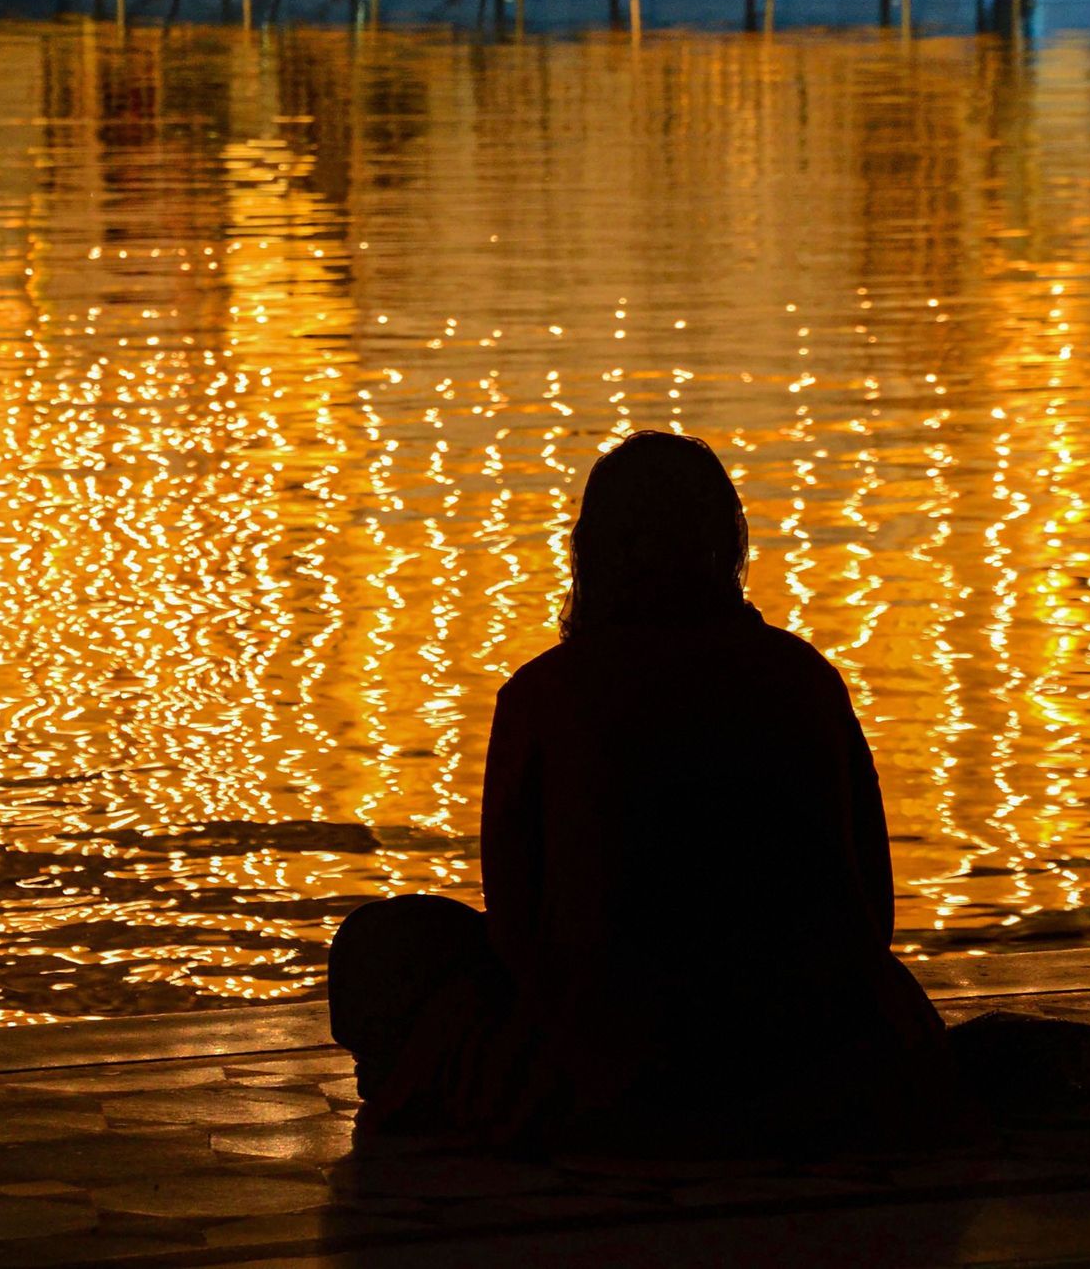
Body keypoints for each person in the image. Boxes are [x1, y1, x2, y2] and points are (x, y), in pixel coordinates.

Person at [328, 431, 973, 1154]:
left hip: (614, 1071)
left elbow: (517, 929)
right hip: (820, 1057)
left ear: (594, 554)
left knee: (383, 946)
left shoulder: (545, 696)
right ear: (724, 546)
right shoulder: (804, 678)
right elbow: (870, 912)